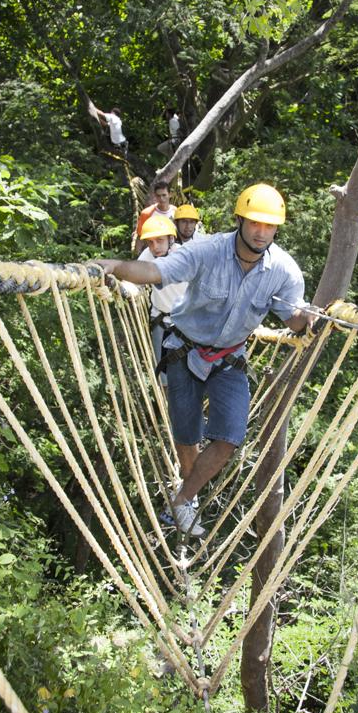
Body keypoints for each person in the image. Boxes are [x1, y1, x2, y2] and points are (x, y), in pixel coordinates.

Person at [96, 183, 314, 536]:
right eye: (255, 223)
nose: (261, 232)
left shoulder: (283, 271)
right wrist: (112, 267)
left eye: (270, 226)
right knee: (187, 434)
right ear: (240, 220)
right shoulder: (206, 250)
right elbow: (154, 273)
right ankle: (188, 490)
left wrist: (315, 319)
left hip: (230, 358)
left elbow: (293, 317)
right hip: (183, 350)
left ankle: (183, 498)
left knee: (229, 436)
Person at [137, 214, 187, 389]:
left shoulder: (183, 255)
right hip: (161, 320)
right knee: (163, 375)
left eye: (159, 240)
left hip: (186, 323)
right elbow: (135, 278)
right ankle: (170, 413)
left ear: (171, 239)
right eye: (150, 242)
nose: (155, 247)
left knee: (191, 374)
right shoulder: (147, 255)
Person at [134, 180, 177, 255]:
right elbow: (140, 236)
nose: (161, 199)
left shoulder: (176, 211)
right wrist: (137, 255)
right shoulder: (147, 213)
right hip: (152, 254)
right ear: (155, 196)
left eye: (164, 195)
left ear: (170, 194)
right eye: (158, 196)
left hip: (173, 253)